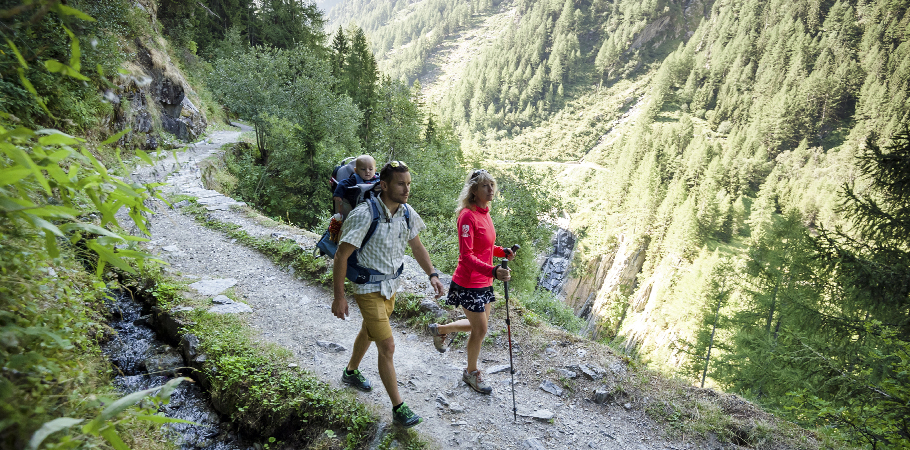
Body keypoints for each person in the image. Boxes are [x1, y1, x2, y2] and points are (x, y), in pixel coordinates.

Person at [332, 160, 445, 427]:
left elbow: (417, 246)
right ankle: (398, 408)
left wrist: (432, 274)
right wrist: (339, 297)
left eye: (408, 184)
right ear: (384, 185)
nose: (407, 189)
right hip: (367, 286)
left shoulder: (406, 213)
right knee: (387, 345)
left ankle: (350, 372)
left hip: (390, 286)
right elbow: (341, 256)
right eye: (400, 184)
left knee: (369, 331)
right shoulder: (364, 214)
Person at [428, 169, 514, 395]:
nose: (490, 190)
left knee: (479, 325)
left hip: (484, 280)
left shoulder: (485, 213)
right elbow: (467, 256)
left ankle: (440, 330)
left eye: (492, 185)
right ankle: (471, 373)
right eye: (485, 186)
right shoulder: (467, 216)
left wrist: (501, 251)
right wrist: (494, 271)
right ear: (473, 190)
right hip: (469, 282)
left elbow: (485, 247)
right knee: (481, 329)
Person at [333, 154, 380, 219]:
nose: (367, 171)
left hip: (376, 208)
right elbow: (342, 183)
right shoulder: (355, 179)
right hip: (357, 208)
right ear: (356, 171)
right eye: (363, 169)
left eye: (371, 169)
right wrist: (338, 194)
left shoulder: (379, 179)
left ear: (375, 170)